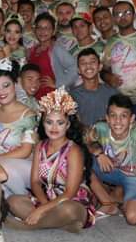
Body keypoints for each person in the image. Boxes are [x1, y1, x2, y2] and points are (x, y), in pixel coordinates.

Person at [6, 87, 95, 231]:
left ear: (68, 125)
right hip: (47, 198)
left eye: (60, 123)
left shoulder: (74, 151)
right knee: (13, 201)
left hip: (71, 201)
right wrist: (44, 204)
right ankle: (60, 223)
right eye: (49, 122)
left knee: (69, 210)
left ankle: (31, 227)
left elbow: (70, 193)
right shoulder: (40, 146)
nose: (54, 127)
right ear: (43, 123)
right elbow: (35, 182)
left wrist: (42, 210)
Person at [85, 94, 136, 230]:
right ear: (107, 118)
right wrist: (98, 152)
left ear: (132, 119)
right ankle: (108, 203)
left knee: (133, 218)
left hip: (134, 176)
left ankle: (124, 195)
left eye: (123, 116)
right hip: (110, 170)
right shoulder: (99, 127)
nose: (118, 121)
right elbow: (84, 143)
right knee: (82, 160)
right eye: (113, 115)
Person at [0, 59, 38, 197]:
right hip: (0, 166)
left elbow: (25, 151)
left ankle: (28, 197)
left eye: (6, 85)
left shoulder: (28, 115)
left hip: (28, 169)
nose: (1, 92)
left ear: (15, 84)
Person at [101, 1, 136, 122]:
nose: (122, 17)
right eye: (118, 14)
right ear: (113, 19)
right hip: (119, 104)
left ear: (134, 15)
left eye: (127, 13)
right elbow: (103, 71)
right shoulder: (110, 42)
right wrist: (108, 77)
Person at [70, 48, 118, 127]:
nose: (88, 66)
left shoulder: (112, 93)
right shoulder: (72, 97)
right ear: (78, 70)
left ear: (100, 66)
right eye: (83, 63)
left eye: (92, 62)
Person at [27, 13, 57, 99]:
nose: (42, 31)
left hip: (51, 97)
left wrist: (56, 84)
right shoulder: (32, 50)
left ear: (53, 31)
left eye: (47, 28)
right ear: (35, 30)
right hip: (34, 96)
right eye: (39, 27)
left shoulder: (56, 49)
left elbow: (73, 71)